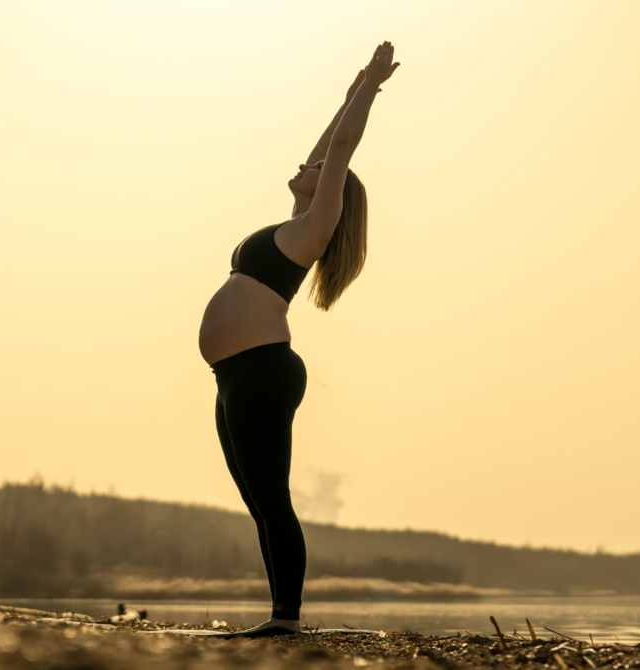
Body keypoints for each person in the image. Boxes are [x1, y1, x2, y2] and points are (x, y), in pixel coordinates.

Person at [197, 42, 400, 636]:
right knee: (259, 500)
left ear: (331, 191)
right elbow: (323, 148)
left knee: (273, 498)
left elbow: (339, 151)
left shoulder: (315, 227)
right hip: (233, 374)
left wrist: (370, 91)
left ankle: (286, 620)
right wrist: (345, 96)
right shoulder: (293, 220)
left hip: (263, 370)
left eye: (317, 172)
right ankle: (278, 615)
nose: (306, 166)